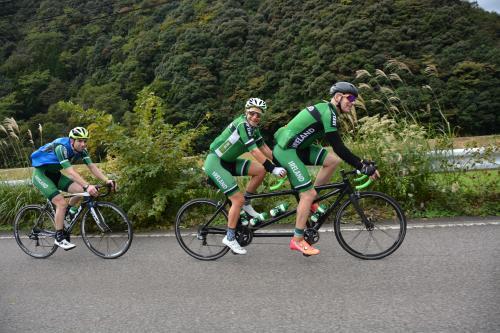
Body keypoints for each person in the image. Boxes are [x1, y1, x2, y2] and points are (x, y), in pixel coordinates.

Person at [273, 82, 380, 256]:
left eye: (354, 99)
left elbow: (338, 152)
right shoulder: (328, 112)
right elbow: (338, 146)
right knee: (307, 194)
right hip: (287, 151)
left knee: (332, 161)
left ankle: (313, 201)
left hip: (299, 148)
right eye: (350, 98)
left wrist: (363, 162)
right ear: (338, 97)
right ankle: (298, 239)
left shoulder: (328, 111)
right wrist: (361, 165)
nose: (352, 102)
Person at [204, 98, 287, 254]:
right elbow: (254, 151)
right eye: (252, 113)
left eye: (258, 115)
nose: (255, 117)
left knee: (259, 171)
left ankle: (246, 204)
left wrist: (279, 163)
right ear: (246, 112)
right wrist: (273, 169)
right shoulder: (243, 125)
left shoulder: (254, 129)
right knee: (237, 199)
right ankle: (229, 237)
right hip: (215, 162)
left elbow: (263, 147)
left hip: (229, 161)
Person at [30, 127, 116, 250]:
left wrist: (106, 180)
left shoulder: (82, 150)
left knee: (82, 190)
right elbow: (70, 172)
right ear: (72, 141)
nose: (83, 144)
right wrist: (87, 185)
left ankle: (69, 213)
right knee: (61, 203)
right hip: (41, 175)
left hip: (55, 175)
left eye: (85, 141)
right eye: (80, 141)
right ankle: (59, 237)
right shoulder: (62, 148)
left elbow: (92, 167)